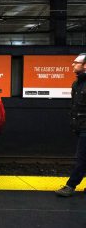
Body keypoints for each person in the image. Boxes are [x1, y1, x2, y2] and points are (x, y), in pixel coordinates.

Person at [56, 53, 86, 197]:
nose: (72, 64)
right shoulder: (76, 84)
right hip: (80, 127)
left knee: (81, 158)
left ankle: (70, 185)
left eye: (76, 62)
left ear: (85, 65)